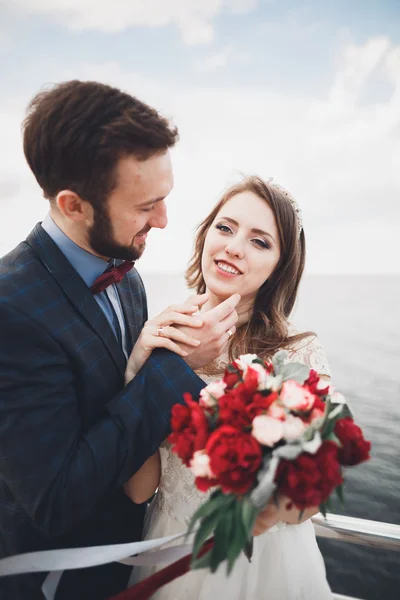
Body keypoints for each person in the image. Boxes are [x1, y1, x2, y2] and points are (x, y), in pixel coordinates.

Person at [0, 80, 242, 600]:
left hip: (135, 563)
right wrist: (179, 364)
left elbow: (123, 403)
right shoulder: (10, 310)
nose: (164, 220)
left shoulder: (127, 275)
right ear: (73, 204)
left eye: (165, 198)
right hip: (55, 581)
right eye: (146, 206)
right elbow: (56, 500)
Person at [127, 176, 333, 599]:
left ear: (280, 266)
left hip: (260, 568)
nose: (234, 247)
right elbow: (139, 489)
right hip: (168, 551)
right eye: (225, 228)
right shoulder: (162, 334)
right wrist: (136, 372)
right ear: (205, 235)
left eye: (260, 242)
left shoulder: (297, 354)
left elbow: (303, 509)